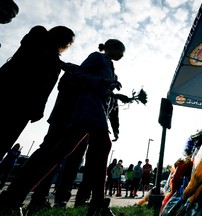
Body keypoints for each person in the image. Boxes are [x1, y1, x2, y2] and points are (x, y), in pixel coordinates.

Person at [0, 38, 126, 216]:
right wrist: (103, 82)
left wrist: (116, 94)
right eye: (121, 49)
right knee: (65, 151)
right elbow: (79, 74)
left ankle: (97, 204)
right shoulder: (98, 57)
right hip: (88, 108)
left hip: (97, 110)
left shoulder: (111, 67)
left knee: (64, 152)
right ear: (110, 47)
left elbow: (103, 90)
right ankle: (16, 196)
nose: (122, 54)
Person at [0, 25, 75, 161]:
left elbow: (45, 90)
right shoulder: (39, 35)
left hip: (24, 107)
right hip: (7, 92)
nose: (67, 44)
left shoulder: (57, 64)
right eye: (67, 41)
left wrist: (39, 108)